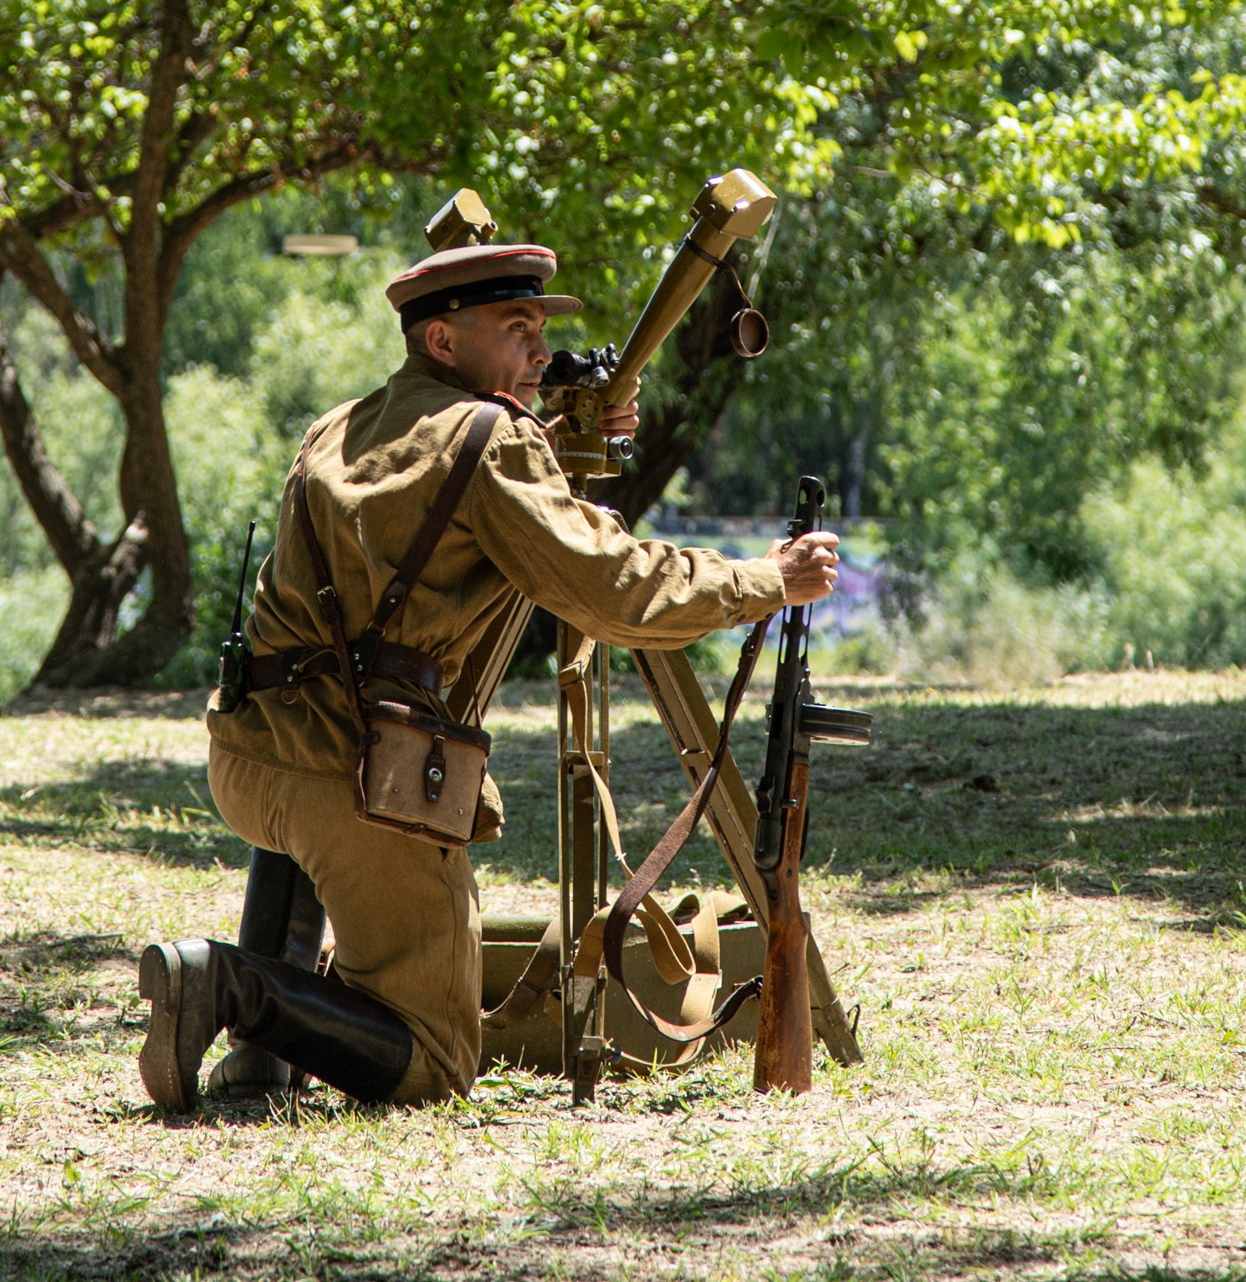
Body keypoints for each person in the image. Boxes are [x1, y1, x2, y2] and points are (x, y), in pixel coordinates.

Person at [137, 239, 840, 1112]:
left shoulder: (343, 424)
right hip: (359, 780)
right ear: (442, 342)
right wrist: (767, 580)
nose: (540, 351)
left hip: (252, 757)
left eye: (541, 328)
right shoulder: (498, 444)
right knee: (434, 1063)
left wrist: (543, 442)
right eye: (516, 329)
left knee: (309, 823)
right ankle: (224, 989)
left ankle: (258, 1062)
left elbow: (428, 491)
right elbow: (614, 591)